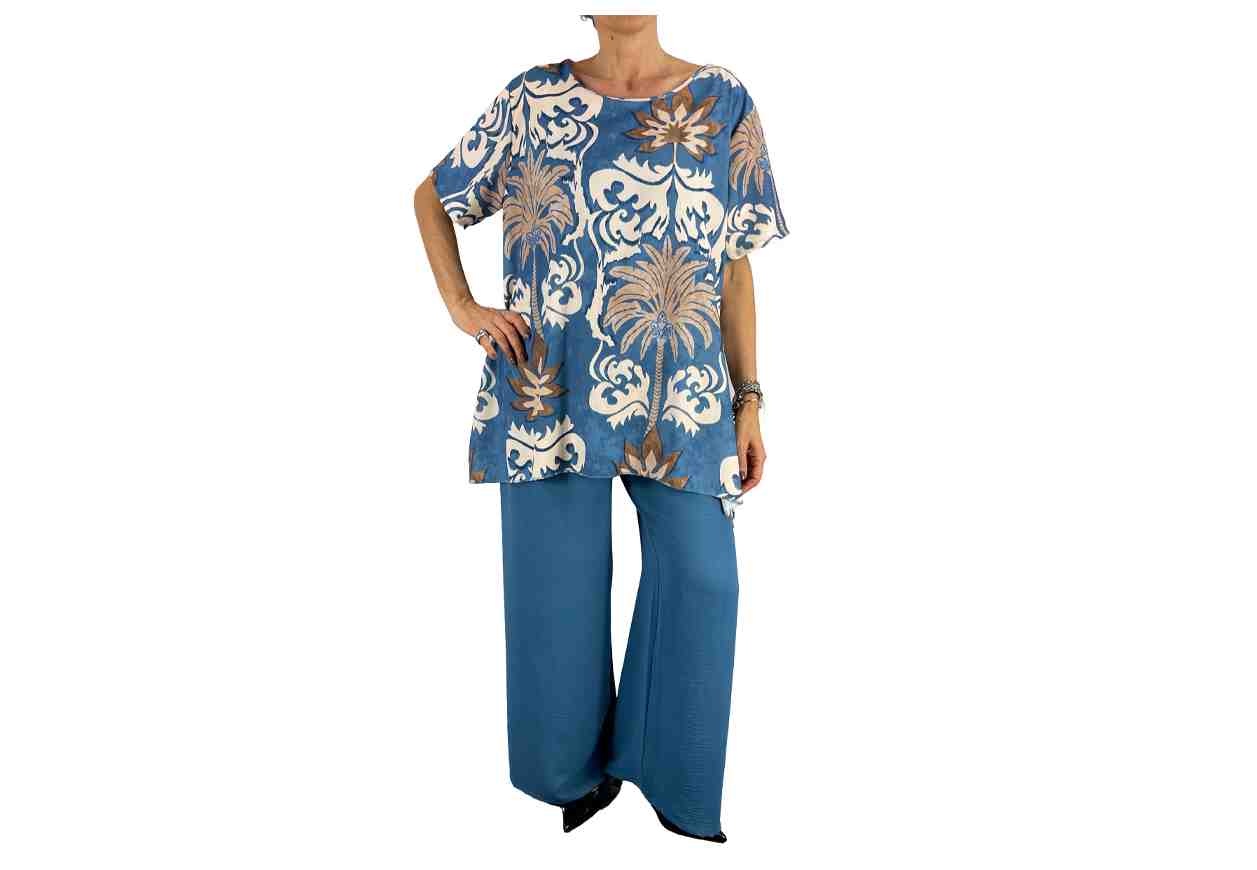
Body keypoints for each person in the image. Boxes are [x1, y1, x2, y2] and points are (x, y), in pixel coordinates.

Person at [413, 14, 788, 843]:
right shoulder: (531, 99)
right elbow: (432, 195)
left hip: (683, 397)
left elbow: (733, 267)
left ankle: (671, 774)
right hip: (547, 385)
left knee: (705, 580)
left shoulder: (722, 100)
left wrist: (749, 399)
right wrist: (464, 308)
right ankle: (570, 777)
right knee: (554, 594)